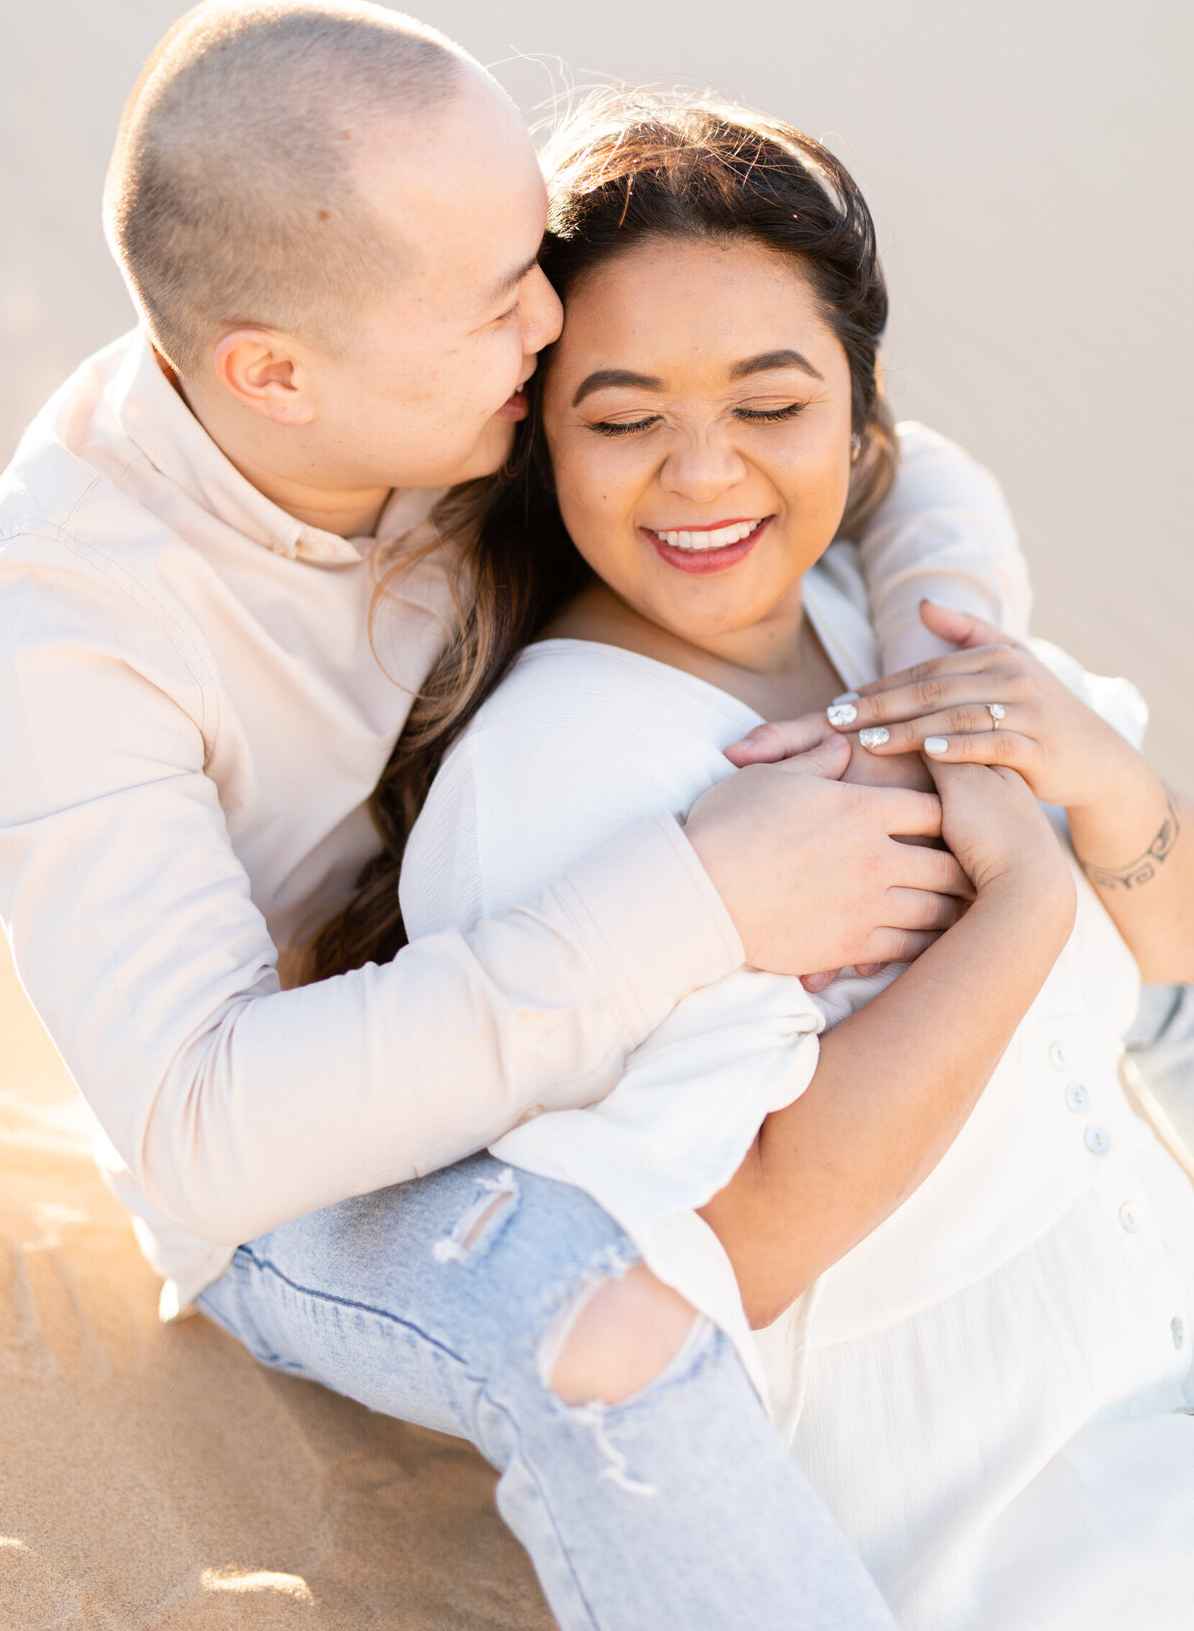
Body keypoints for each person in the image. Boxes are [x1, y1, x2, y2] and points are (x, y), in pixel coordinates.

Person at [0, 0, 1045, 1630]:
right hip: (337, 1150)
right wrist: (696, 901)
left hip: (577, 957)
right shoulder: (66, 631)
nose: (558, 330)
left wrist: (943, 669)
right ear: (273, 373)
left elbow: (909, 461)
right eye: (504, 305)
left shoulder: (440, 375)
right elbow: (205, 1137)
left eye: (535, 260)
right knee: (593, 1324)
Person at [283, 92, 1194, 1628]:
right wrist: (1025, 893)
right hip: (1009, 1532)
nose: (704, 478)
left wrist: (1108, 793)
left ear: (858, 405)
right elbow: (740, 1238)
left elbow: (1163, 961)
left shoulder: (865, 611)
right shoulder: (563, 777)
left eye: (770, 406)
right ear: (540, 438)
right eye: (624, 418)